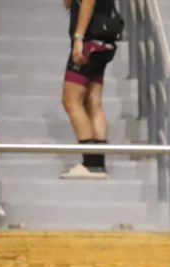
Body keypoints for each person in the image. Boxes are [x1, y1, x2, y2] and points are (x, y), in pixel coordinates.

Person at [61, 0, 118, 179]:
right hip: (103, 42)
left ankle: (90, 163)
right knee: (94, 103)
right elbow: (68, 4)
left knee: (71, 101)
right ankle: (98, 164)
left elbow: (88, 2)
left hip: (88, 43)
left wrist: (78, 39)